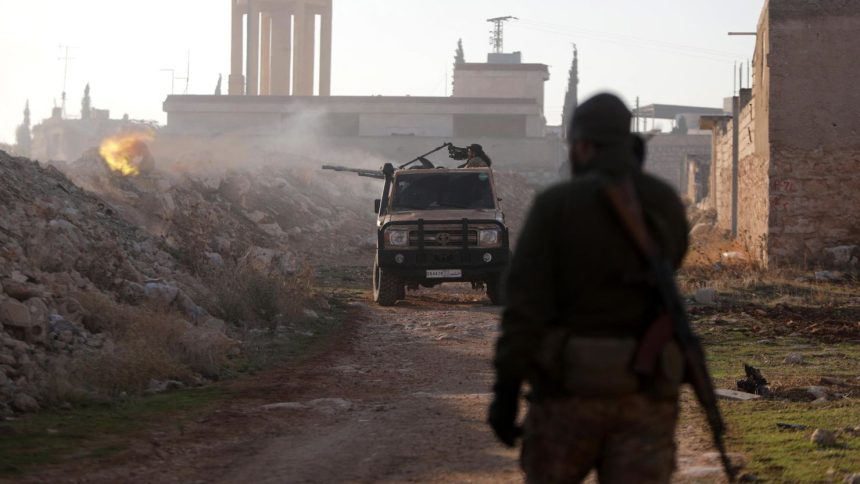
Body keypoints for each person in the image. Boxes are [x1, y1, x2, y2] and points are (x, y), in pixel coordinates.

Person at [487, 93, 689, 483]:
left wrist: (506, 392)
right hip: (644, 394)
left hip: (567, 395)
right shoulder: (664, 202)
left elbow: (523, 310)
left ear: (581, 145)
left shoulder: (555, 205)